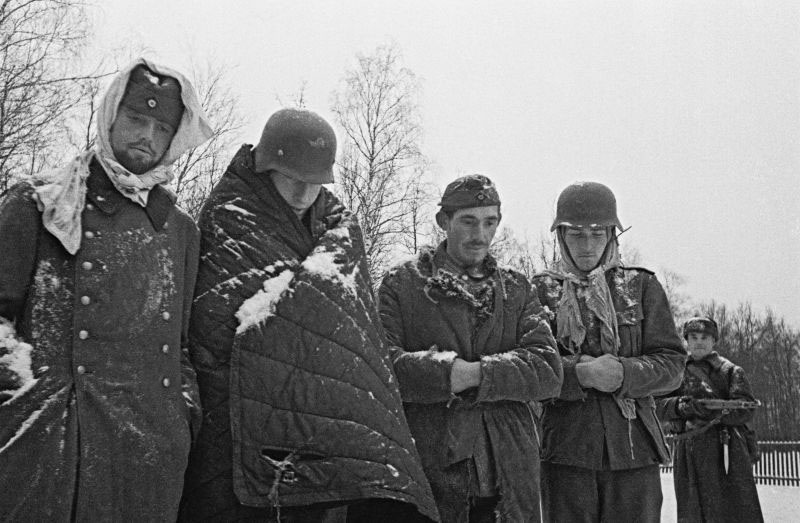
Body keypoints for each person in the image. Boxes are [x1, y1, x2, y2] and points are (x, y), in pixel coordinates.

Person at [179, 107, 438, 522]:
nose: (304, 194)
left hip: (324, 437)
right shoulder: (227, 221)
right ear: (265, 168)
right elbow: (212, 330)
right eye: (293, 179)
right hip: (236, 433)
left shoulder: (339, 230)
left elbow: (357, 341)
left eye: (315, 183)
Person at [0, 58, 213, 520]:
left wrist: (181, 414)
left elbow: (180, 346)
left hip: (146, 450)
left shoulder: (180, 231)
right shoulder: (41, 202)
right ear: (111, 116)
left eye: (161, 127)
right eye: (136, 120)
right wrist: (22, 394)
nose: (147, 137)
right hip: (52, 443)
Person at [378, 174, 563, 523]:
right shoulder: (400, 285)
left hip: (508, 472)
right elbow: (384, 368)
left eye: (489, 222)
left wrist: (474, 374)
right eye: (468, 221)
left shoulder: (516, 288)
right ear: (443, 221)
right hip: (431, 469)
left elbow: (548, 370)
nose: (480, 235)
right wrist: (446, 373)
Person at [532, 181, 686, 522]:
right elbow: (532, 369)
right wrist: (578, 374)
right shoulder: (538, 292)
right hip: (565, 453)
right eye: (576, 235)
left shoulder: (641, 286)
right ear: (560, 237)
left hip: (634, 450)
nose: (587, 246)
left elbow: (673, 365)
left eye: (597, 234)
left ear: (612, 235)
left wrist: (625, 374)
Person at [658, 316, 763, 522]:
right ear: (686, 340)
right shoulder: (676, 372)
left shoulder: (730, 371)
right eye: (693, 337)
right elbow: (659, 406)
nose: (698, 342)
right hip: (687, 451)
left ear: (714, 341)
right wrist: (681, 406)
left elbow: (746, 409)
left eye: (704, 337)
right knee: (692, 511)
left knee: (731, 509)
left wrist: (715, 412)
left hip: (725, 450)